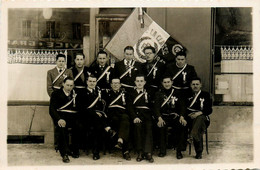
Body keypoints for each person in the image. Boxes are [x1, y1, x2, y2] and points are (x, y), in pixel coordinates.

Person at [78, 74, 113, 160]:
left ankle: (96, 152)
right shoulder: (81, 93)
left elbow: (103, 105)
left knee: (97, 126)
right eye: (90, 81)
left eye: (94, 81)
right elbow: (82, 108)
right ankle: (107, 127)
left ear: (96, 82)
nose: (92, 83)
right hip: (86, 118)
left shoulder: (99, 92)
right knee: (98, 123)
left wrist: (98, 112)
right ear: (87, 82)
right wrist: (94, 113)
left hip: (97, 119)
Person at [154, 75, 187, 159]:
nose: (167, 84)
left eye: (168, 82)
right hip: (163, 117)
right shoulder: (158, 93)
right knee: (161, 126)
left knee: (181, 125)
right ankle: (162, 150)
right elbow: (156, 108)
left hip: (174, 116)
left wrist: (182, 117)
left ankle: (179, 151)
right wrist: (159, 118)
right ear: (162, 83)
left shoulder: (177, 93)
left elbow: (183, 106)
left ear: (172, 82)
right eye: (165, 82)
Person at [49, 77, 80, 163]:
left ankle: (74, 149)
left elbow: (78, 108)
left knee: (79, 126)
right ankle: (64, 153)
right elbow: (52, 109)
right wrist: (58, 119)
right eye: (67, 85)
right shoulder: (56, 94)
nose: (69, 87)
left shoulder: (75, 93)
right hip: (60, 116)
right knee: (62, 128)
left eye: (71, 85)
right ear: (63, 84)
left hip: (72, 116)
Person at [128, 75, 154, 163]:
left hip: (147, 116)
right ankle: (140, 151)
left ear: (144, 82)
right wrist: (134, 117)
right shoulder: (130, 93)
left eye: (141, 81)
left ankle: (148, 152)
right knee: (138, 127)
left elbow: (152, 106)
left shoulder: (149, 92)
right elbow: (129, 107)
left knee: (148, 127)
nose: (139, 83)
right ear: (135, 82)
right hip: (137, 115)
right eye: (137, 81)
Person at [104, 77, 131, 161]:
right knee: (124, 122)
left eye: (117, 83)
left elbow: (129, 107)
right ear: (111, 85)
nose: (115, 85)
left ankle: (120, 140)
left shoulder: (125, 94)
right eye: (113, 83)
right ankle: (125, 151)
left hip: (122, 116)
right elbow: (104, 108)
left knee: (125, 119)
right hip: (111, 117)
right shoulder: (106, 94)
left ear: (120, 85)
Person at [186, 77, 212, 159]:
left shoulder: (206, 95)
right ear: (190, 85)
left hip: (203, 117)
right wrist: (189, 114)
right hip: (190, 119)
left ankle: (191, 135)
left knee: (199, 119)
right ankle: (199, 152)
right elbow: (183, 108)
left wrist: (199, 113)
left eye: (197, 84)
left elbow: (209, 109)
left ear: (201, 85)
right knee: (198, 127)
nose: (195, 86)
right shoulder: (187, 94)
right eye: (193, 84)